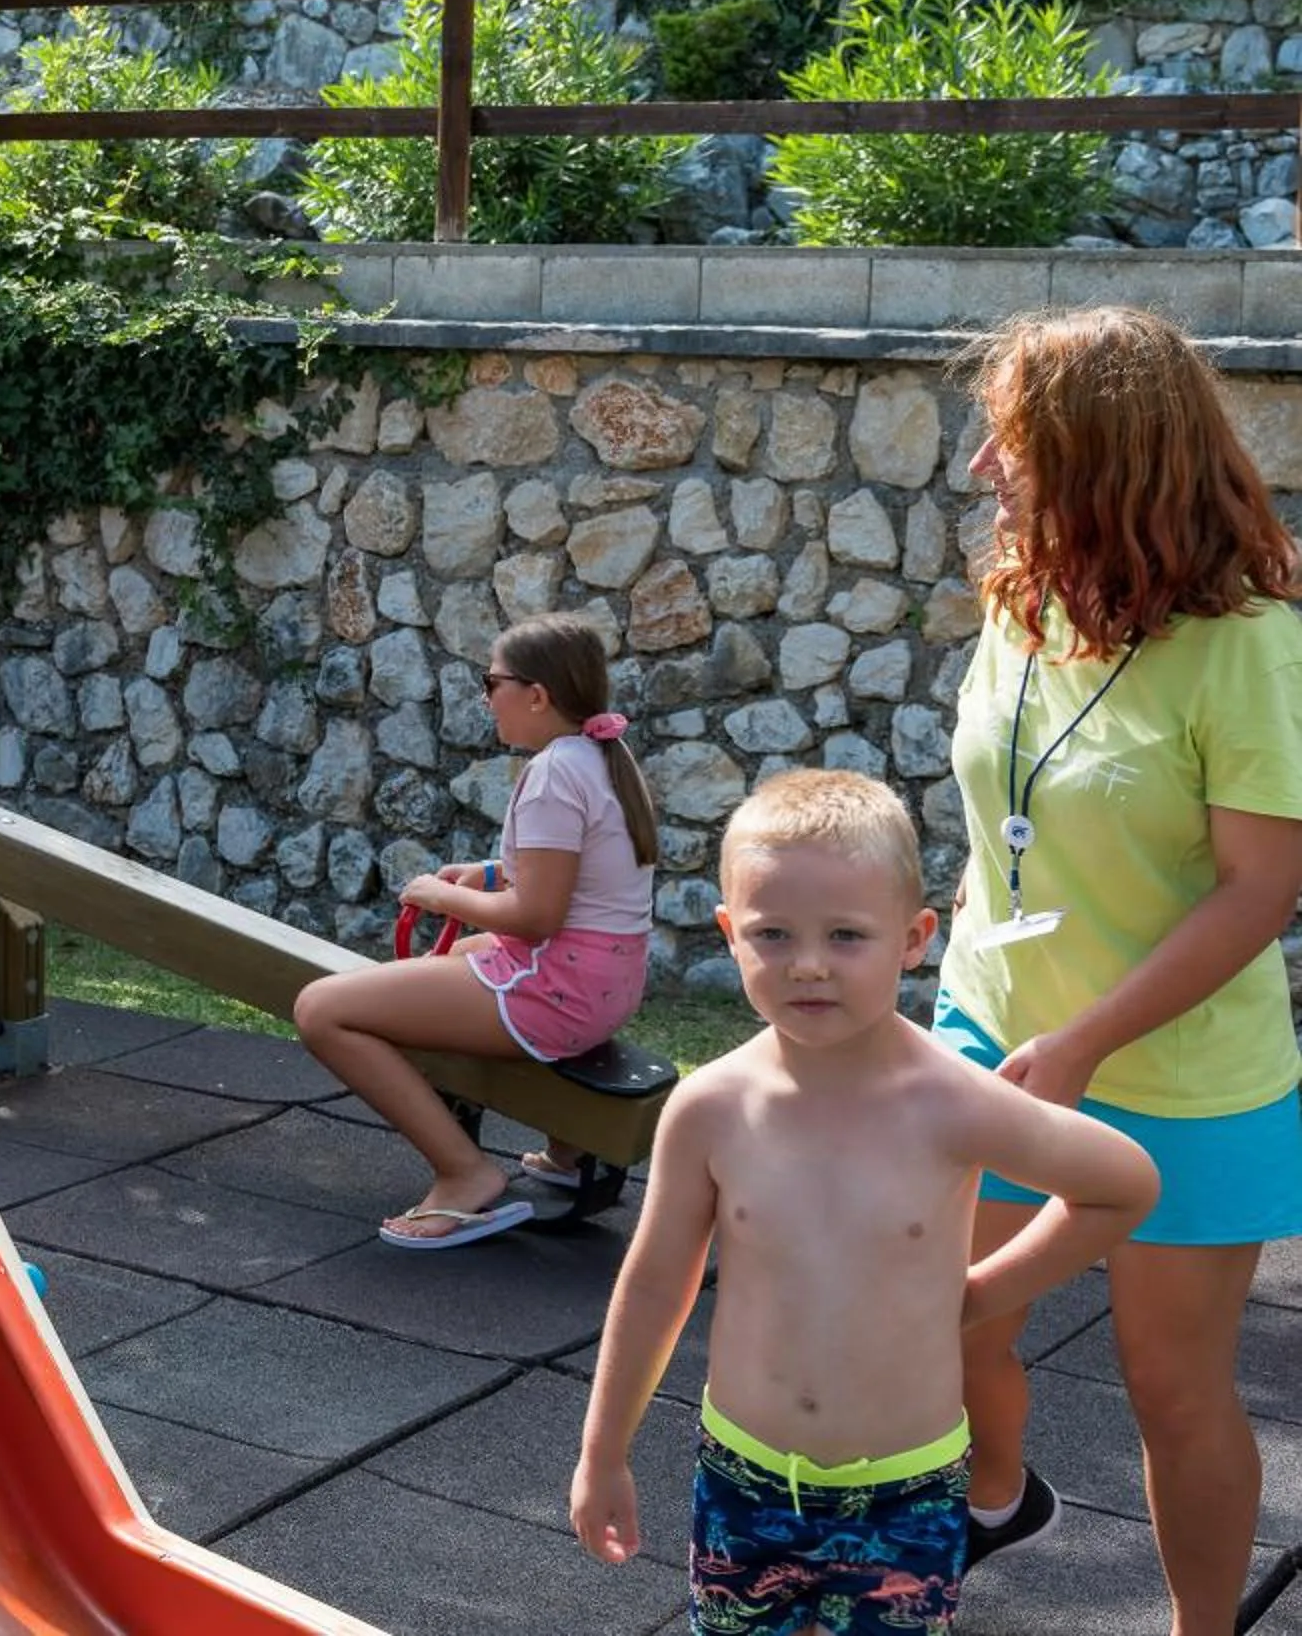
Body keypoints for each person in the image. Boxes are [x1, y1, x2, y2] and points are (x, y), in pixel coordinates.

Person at [570, 770, 1156, 1635]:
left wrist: (980, 1296)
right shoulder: (712, 1109)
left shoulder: (952, 1103)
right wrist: (601, 1452)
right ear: (731, 935)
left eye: (847, 935)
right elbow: (656, 1282)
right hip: (745, 1477)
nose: (808, 963)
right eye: (774, 934)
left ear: (915, 937)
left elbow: (1123, 1184)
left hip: (905, 1490)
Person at [937, 305, 1302, 1636]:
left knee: (1174, 1389)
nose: (986, 469)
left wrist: (1087, 1038)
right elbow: (1004, 793)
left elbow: (1264, 888)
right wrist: (966, 925)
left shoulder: (1256, 641)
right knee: (942, 1320)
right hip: (990, 1034)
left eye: (1012, 442)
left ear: (1106, 457)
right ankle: (993, 1494)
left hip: (1181, 1076)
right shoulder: (1023, 590)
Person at [291, 612, 660, 1249]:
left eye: (492, 682)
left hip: (557, 988)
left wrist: (436, 892)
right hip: (607, 984)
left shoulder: (552, 773)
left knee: (322, 1010)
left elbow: (538, 916)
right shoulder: (602, 754)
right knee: (461, 955)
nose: (486, 697)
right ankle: (568, 1142)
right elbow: (581, 874)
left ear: (537, 695)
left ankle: (463, 1175)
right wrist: (490, 873)